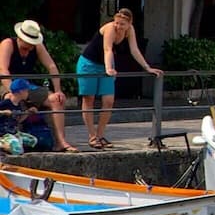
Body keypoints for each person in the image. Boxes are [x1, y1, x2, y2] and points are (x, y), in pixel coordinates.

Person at [75, 9, 163, 150]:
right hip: (90, 63)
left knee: (108, 100)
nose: (118, 26)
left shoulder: (130, 30)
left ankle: (100, 134)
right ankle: (92, 136)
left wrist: (147, 67)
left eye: (122, 24)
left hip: (106, 63)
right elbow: (107, 49)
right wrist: (109, 68)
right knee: (88, 99)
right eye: (116, 22)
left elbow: (134, 50)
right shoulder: (110, 28)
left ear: (129, 24)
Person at [0, 21, 74, 152]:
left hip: (27, 85)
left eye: (31, 47)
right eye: (26, 47)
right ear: (20, 38)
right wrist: (12, 90)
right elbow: (3, 69)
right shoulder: (8, 44)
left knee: (56, 100)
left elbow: (51, 66)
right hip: (6, 82)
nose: (29, 49)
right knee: (11, 100)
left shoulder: (37, 46)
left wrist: (58, 90)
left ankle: (61, 142)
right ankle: (7, 138)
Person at [0, 79, 56, 154]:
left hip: (14, 132)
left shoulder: (19, 104)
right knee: (17, 150)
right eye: (26, 90)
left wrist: (28, 112)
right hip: (4, 133)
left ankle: (14, 143)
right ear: (21, 91)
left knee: (33, 141)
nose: (28, 93)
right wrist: (4, 112)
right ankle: (3, 144)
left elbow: (18, 120)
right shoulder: (6, 103)